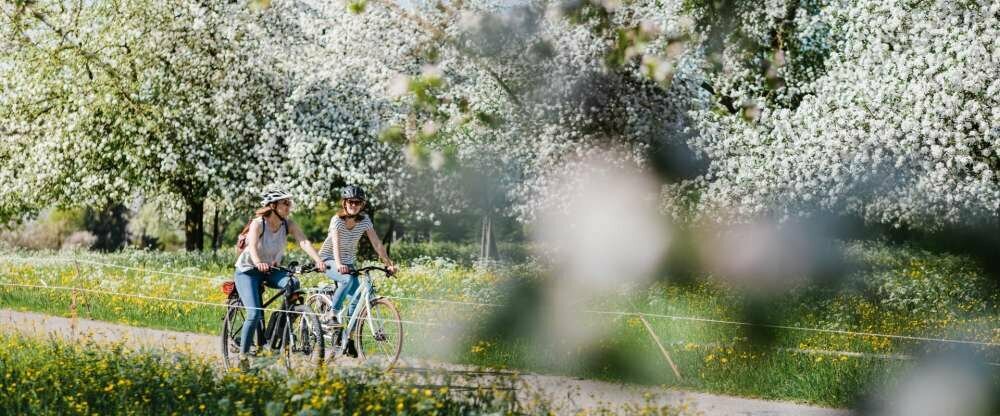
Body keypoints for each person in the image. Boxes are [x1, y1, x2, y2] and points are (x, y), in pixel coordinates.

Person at [233, 189, 326, 366]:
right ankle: (243, 357)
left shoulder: (287, 224)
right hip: (248, 271)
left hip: (270, 270)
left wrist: (318, 260)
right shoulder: (258, 223)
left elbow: (303, 241)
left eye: (289, 203)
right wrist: (258, 262)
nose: (289, 206)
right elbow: (252, 246)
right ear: (273, 206)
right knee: (254, 313)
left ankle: (279, 331)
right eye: (285, 203)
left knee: (293, 282)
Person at [318, 185, 397, 325]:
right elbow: (335, 244)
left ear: (362, 205)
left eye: (358, 202)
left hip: (347, 262)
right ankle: (332, 314)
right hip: (328, 259)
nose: (354, 205)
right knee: (347, 279)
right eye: (351, 202)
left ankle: (349, 334)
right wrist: (339, 264)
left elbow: (377, 243)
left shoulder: (365, 220)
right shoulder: (337, 220)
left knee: (357, 297)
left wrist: (388, 264)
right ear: (345, 203)